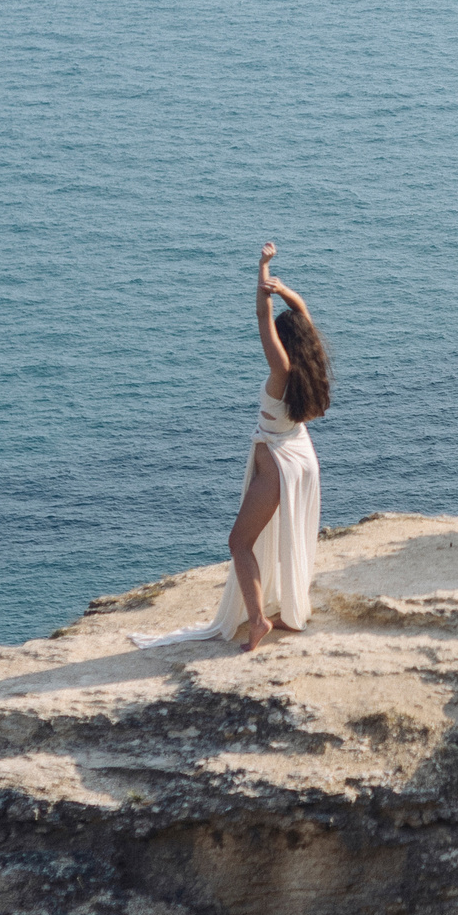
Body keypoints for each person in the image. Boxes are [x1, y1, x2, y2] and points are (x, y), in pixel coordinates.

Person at [131, 242, 329, 654]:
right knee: (279, 538)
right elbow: (302, 313)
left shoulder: (281, 371)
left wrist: (263, 270)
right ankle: (286, 610)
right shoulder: (309, 368)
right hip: (302, 456)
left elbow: (262, 318)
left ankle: (258, 621)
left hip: (277, 463)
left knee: (239, 542)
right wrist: (284, 291)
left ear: (284, 343)